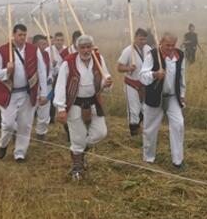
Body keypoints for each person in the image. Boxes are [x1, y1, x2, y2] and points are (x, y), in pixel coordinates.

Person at [54, 34, 113, 180]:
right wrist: (61, 108)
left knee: (101, 132)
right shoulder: (69, 62)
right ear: (77, 48)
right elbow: (60, 85)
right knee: (77, 137)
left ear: (92, 47)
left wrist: (106, 84)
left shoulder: (99, 59)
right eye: (83, 48)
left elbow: (105, 79)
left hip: (94, 102)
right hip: (75, 103)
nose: (86, 50)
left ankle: (79, 152)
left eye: (88, 47)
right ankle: (77, 168)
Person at [0, 24, 47, 163]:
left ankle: (20, 153)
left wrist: (44, 92)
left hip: (27, 93)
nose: (22, 37)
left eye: (24, 35)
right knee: (8, 124)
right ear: (13, 35)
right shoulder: (2, 51)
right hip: (9, 93)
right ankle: (3, 144)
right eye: (20, 35)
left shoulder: (34, 50)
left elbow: (41, 71)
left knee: (25, 124)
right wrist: (7, 71)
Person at [139, 33, 186, 167]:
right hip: (154, 96)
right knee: (150, 129)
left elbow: (182, 76)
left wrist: (182, 93)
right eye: (167, 45)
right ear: (161, 43)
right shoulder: (152, 55)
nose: (171, 48)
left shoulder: (180, 55)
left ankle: (178, 161)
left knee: (179, 125)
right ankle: (148, 158)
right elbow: (142, 76)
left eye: (173, 45)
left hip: (173, 97)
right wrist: (154, 74)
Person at [117, 28, 151, 137]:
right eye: (141, 39)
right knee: (134, 110)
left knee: (146, 109)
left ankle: (143, 132)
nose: (143, 42)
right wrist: (128, 68)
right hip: (131, 84)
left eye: (145, 39)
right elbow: (119, 67)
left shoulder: (148, 49)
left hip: (145, 85)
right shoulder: (128, 51)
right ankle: (134, 135)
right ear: (135, 37)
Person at [32, 34, 53, 140]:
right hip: (33, 89)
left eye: (46, 44)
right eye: (42, 44)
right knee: (28, 112)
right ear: (35, 44)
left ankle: (41, 133)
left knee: (44, 113)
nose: (45, 46)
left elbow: (49, 70)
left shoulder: (46, 54)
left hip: (46, 88)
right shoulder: (30, 55)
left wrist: (49, 77)